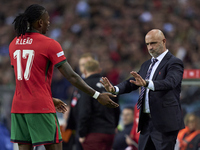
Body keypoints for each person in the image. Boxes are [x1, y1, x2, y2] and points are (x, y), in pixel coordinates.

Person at [9, 4, 118, 150]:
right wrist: (97, 95)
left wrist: (50, 98)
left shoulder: (13, 44)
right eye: (47, 20)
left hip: (18, 107)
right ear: (40, 22)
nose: (49, 23)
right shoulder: (49, 44)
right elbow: (72, 76)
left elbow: (24, 80)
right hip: (40, 107)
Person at [101, 29, 185, 150]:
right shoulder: (147, 64)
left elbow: (170, 82)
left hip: (164, 123)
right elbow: (132, 83)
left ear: (164, 41)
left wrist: (146, 83)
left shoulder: (174, 63)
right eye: (147, 44)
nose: (150, 47)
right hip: (146, 123)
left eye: (153, 43)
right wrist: (114, 89)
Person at [78, 59, 119, 150]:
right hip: (110, 132)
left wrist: (81, 133)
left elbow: (85, 110)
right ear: (99, 70)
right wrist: (114, 126)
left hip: (93, 132)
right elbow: (117, 108)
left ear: (85, 71)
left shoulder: (86, 86)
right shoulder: (110, 84)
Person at [67, 53, 94, 150]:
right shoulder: (77, 82)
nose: (85, 67)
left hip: (90, 129)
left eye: (88, 64)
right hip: (78, 128)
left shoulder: (97, 83)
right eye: (82, 65)